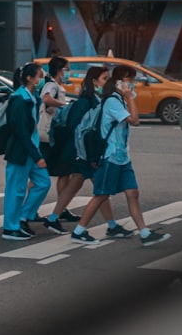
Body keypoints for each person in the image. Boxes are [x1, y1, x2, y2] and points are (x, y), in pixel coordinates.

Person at [69, 65, 170, 246]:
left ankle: (145, 233)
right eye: (129, 80)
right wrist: (130, 97)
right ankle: (79, 231)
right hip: (111, 156)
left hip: (122, 157)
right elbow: (135, 120)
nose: (132, 83)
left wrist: (128, 97)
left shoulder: (118, 100)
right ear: (118, 82)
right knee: (101, 194)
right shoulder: (112, 102)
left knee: (133, 193)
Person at [43, 66, 127, 236]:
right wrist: (87, 152)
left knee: (78, 185)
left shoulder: (96, 99)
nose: (107, 81)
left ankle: (53, 218)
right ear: (94, 82)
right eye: (104, 78)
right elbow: (78, 128)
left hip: (84, 153)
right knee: (100, 189)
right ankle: (110, 226)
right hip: (84, 153)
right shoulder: (86, 101)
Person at [1, 62, 50, 241]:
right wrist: (37, 156)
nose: (42, 79)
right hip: (21, 152)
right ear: (30, 78)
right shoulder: (20, 99)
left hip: (31, 150)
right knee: (16, 190)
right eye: (39, 76)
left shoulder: (30, 97)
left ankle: (22, 217)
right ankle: (10, 227)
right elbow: (21, 132)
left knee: (43, 183)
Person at [36, 56, 71, 218]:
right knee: (40, 172)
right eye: (67, 69)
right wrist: (65, 105)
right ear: (59, 69)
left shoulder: (57, 85)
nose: (68, 73)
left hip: (56, 135)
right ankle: (29, 209)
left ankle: (62, 208)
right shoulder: (51, 85)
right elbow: (46, 99)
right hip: (48, 136)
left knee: (64, 172)